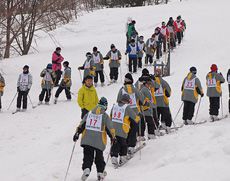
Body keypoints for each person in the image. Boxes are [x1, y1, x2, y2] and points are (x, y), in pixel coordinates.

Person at [73, 97, 115, 181]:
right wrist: (113, 137)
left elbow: (82, 124)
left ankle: (86, 169)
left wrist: (77, 133)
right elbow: (110, 128)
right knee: (99, 157)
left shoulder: (89, 113)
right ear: (105, 106)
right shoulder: (105, 116)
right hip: (99, 141)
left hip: (87, 140)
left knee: (87, 156)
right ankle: (100, 172)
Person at [117, 73, 144, 155]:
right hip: (135, 113)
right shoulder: (135, 89)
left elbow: (118, 100)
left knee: (125, 129)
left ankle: (124, 146)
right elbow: (142, 98)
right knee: (133, 129)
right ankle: (131, 146)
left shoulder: (122, 89)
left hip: (124, 113)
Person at [110, 94, 139, 167]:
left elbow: (110, 116)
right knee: (123, 144)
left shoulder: (114, 106)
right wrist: (139, 117)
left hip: (113, 128)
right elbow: (135, 118)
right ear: (127, 101)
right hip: (123, 129)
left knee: (115, 143)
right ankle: (123, 157)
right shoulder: (127, 107)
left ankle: (114, 156)